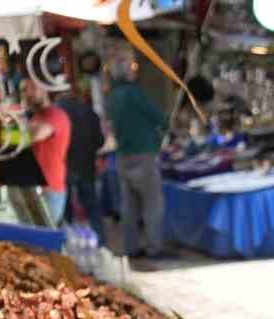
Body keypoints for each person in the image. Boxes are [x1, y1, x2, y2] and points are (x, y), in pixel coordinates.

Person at [104, 56, 170, 260]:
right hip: (144, 153)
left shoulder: (111, 97)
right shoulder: (134, 94)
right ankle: (153, 247)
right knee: (152, 204)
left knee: (130, 206)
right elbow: (158, 116)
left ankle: (131, 247)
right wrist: (167, 125)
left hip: (123, 156)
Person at [57, 88, 104, 237]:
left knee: (65, 211)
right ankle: (101, 243)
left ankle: (67, 247)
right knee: (93, 208)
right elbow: (100, 140)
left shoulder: (55, 113)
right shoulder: (89, 111)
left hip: (64, 168)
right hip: (86, 167)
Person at [23, 79, 71, 225]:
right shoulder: (37, 116)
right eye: (25, 90)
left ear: (45, 89)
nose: (28, 93)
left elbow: (35, 134)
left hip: (50, 190)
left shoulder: (55, 114)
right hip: (37, 189)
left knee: (43, 239)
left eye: (32, 88)